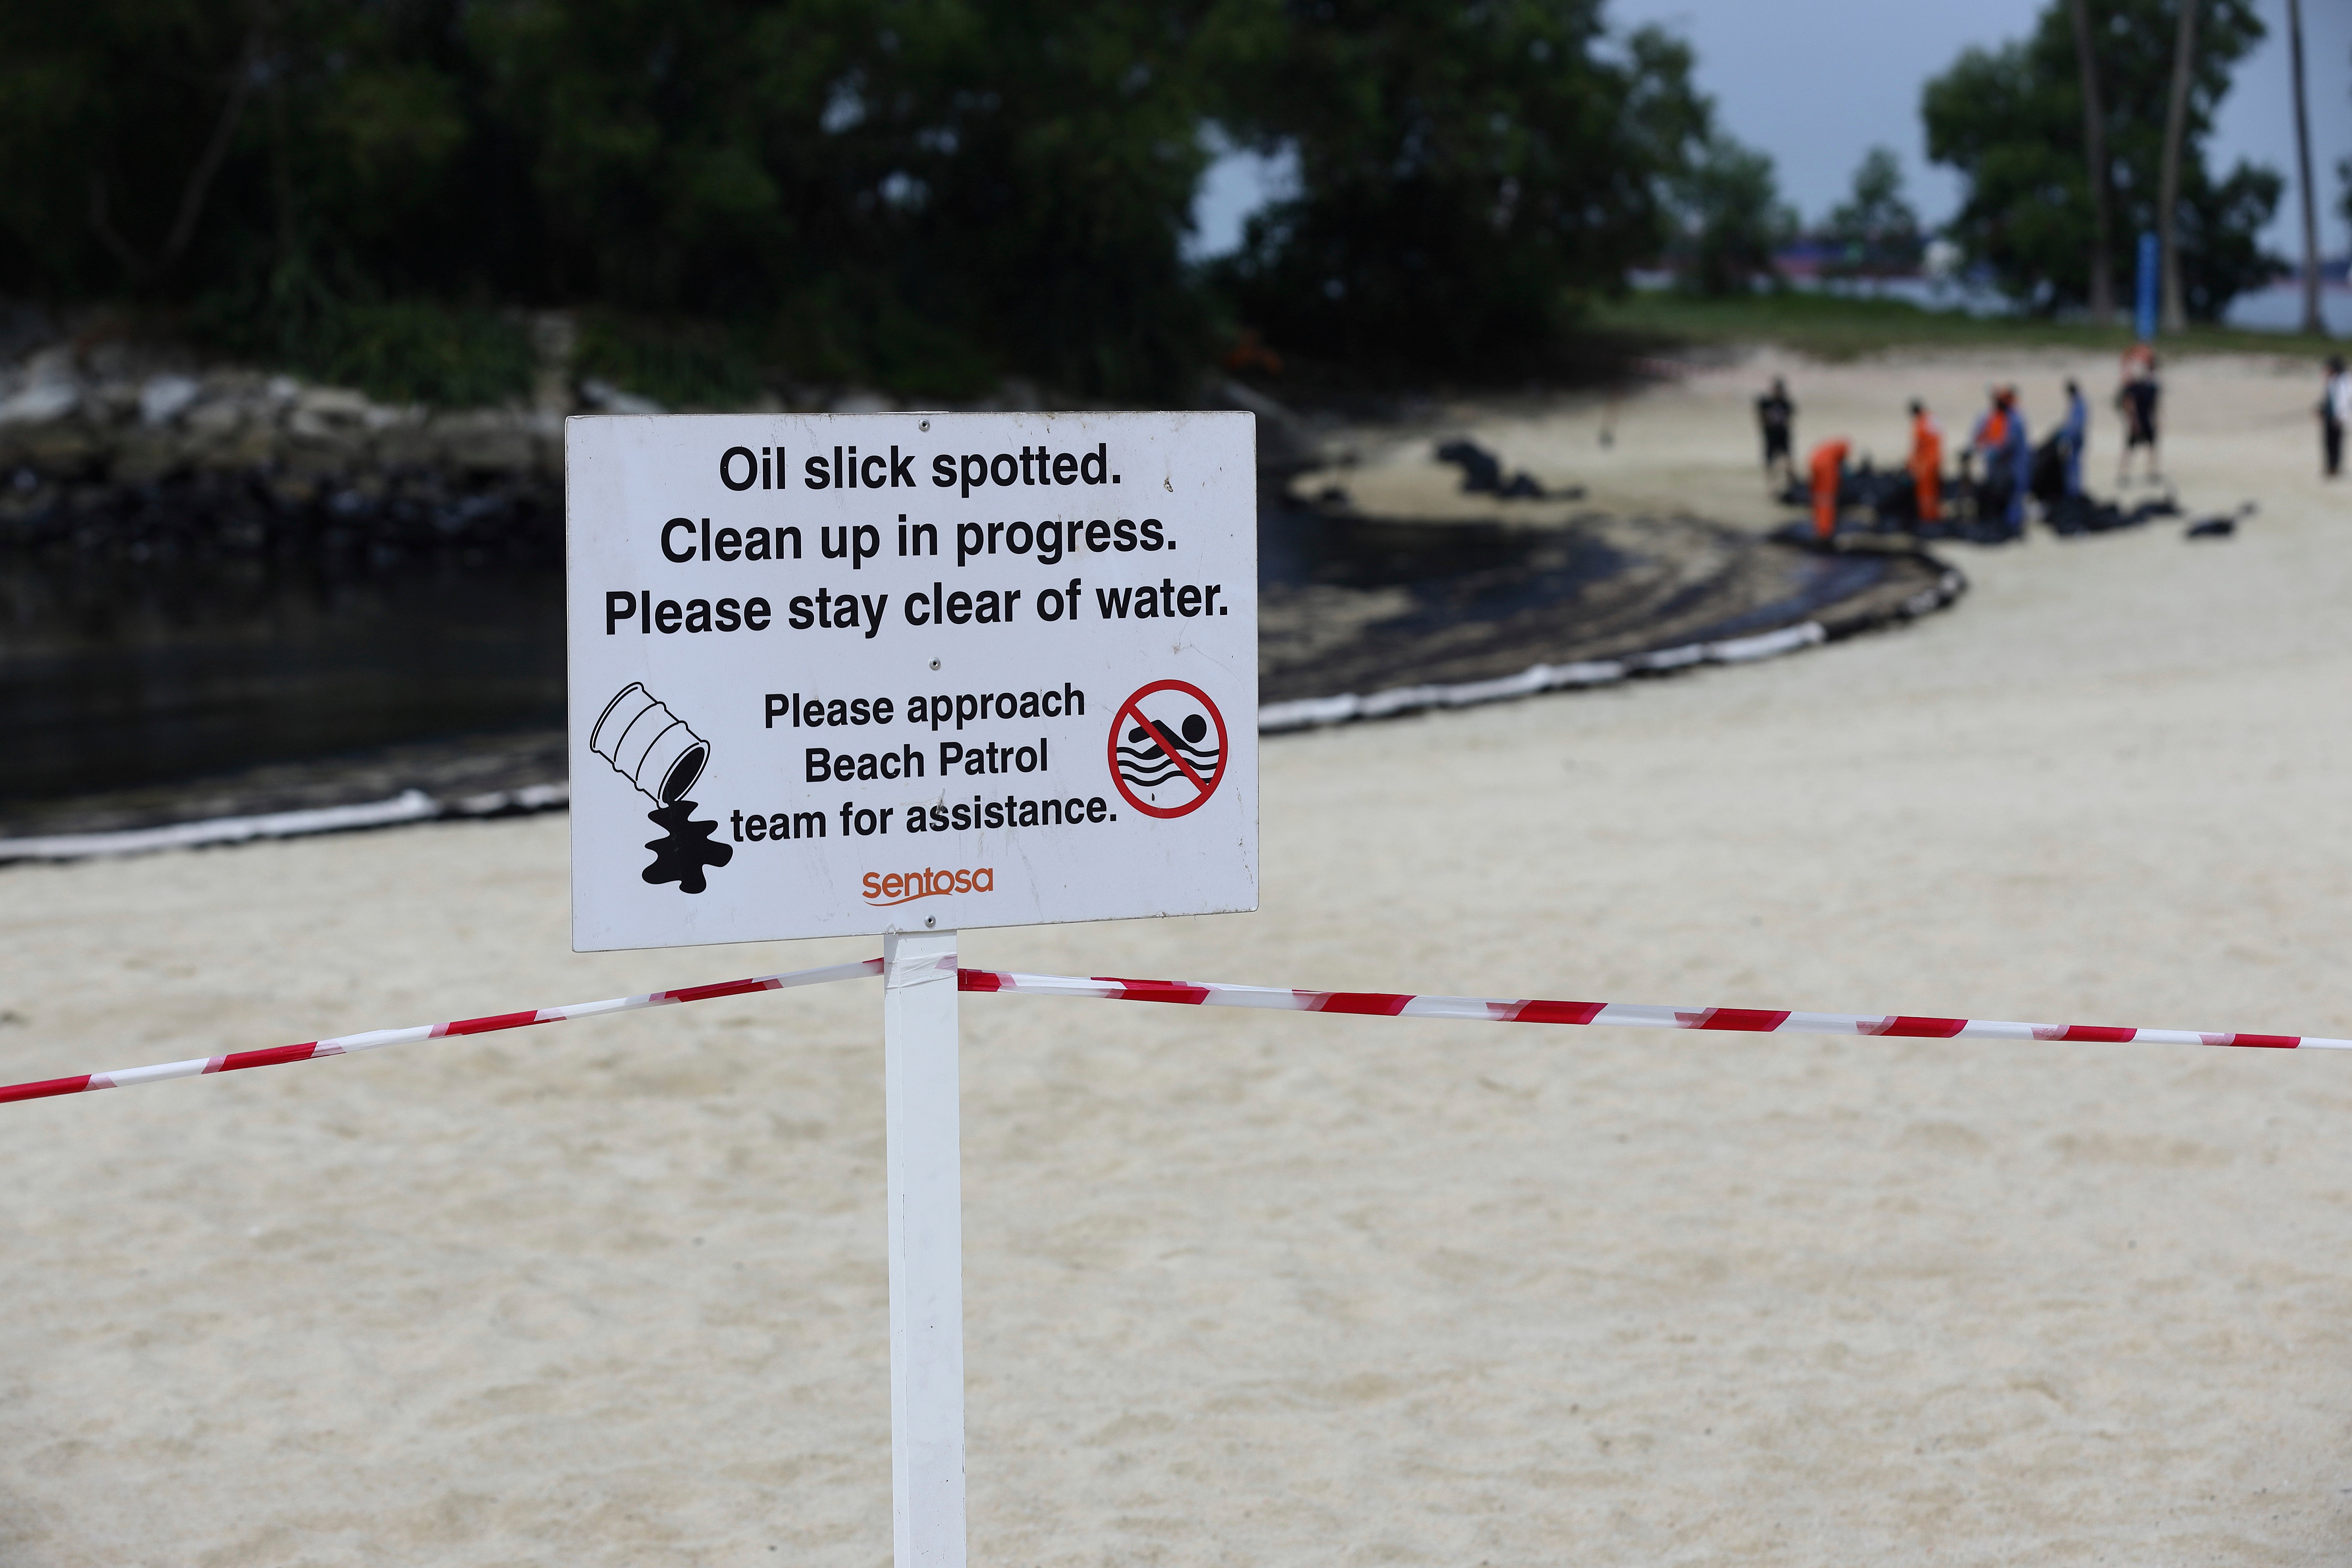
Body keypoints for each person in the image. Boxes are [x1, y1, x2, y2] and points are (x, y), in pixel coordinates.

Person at [1972, 387, 2029, 538]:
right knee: (2002, 495)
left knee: (2014, 496)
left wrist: (1993, 452)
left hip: (2012, 465)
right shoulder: (1995, 418)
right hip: (2002, 466)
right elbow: (1980, 437)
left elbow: (2010, 443)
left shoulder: (2013, 419)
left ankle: (2013, 527)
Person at [2117, 348, 2161, 485]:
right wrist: (2134, 421)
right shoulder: (2138, 386)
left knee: (2148, 448)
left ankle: (2150, 474)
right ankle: (2125, 475)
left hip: (2144, 420)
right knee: (2132, 449)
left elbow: (2154, 407)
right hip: (2140, 420)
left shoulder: (2148, 386)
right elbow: (2130, 405)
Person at [1756, 377, 1796, 490]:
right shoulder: (1766, 403)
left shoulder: (1786, 403)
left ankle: (1792, 485)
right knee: (1770, 463)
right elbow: (1762, 418)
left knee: (1788, 461)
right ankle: (1771, 486)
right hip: (1771, 436)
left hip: (1783, 436)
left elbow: (1789, 419)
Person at [1907, 400, 1942, 526]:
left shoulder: (1921, 422)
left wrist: (1911, 463)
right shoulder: (1933, 419)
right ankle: (1934, 515)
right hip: (1936, 460)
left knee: (1925, 492)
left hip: (1926, 463)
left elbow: (1918, 444)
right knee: (1935, 490)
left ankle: (1927, 518)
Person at [1808, 437, 1848, 542]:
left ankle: (1820, 528)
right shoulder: (1840, 450)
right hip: (1825, 466)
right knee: (1827, 500)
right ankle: (1825, 530)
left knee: (1819, 497)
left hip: (1816, 463)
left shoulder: (1829, 448)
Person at [2057, 378, 2088, 496]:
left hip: (2076, 439)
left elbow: (2076, 424)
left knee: (2074, 464)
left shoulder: (2078, 403)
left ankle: (2074, 489)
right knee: (2074, 464)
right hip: (2076, 437)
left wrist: (2067, 438)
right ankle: (2074, 488)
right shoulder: (2078, 402)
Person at [2320, 356, 2349, 479]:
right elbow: (2328, 400)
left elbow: (2344, 401)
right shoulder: (2331, 381)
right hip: (2329, 417)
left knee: (2336, 443)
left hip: (2338, 418)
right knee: (2328, 442)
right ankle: (2330, 467)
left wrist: (2340, 416)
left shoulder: (2345, 381)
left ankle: (2335, 467)